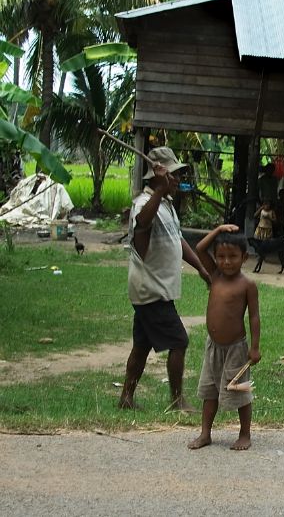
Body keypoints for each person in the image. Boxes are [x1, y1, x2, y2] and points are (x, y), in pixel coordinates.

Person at [118, 147, 210, 411]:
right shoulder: (145, 204)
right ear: (158, 178)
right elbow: (142, 225)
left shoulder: (167, 205)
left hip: (155, 289)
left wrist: (201, 269)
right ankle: (176, 399)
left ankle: (126, 398)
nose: (177, 181)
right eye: (173, 175)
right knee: (179, 341)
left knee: (142, 346)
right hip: (151, 290)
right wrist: (159, 190)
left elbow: (177, 240)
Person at [188, 224, 261, 451]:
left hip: (236, 349)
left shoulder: (247, 284)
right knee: (209, 390)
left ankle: (245, 434)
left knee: (240, 390)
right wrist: (218, 230)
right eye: (220, 256)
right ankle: (205, 433)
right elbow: (199, 249)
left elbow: (254, 317)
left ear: (244, 257)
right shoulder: (214, 276)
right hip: (213, 347)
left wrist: (255, 347)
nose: (226, 262)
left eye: (232, 257)